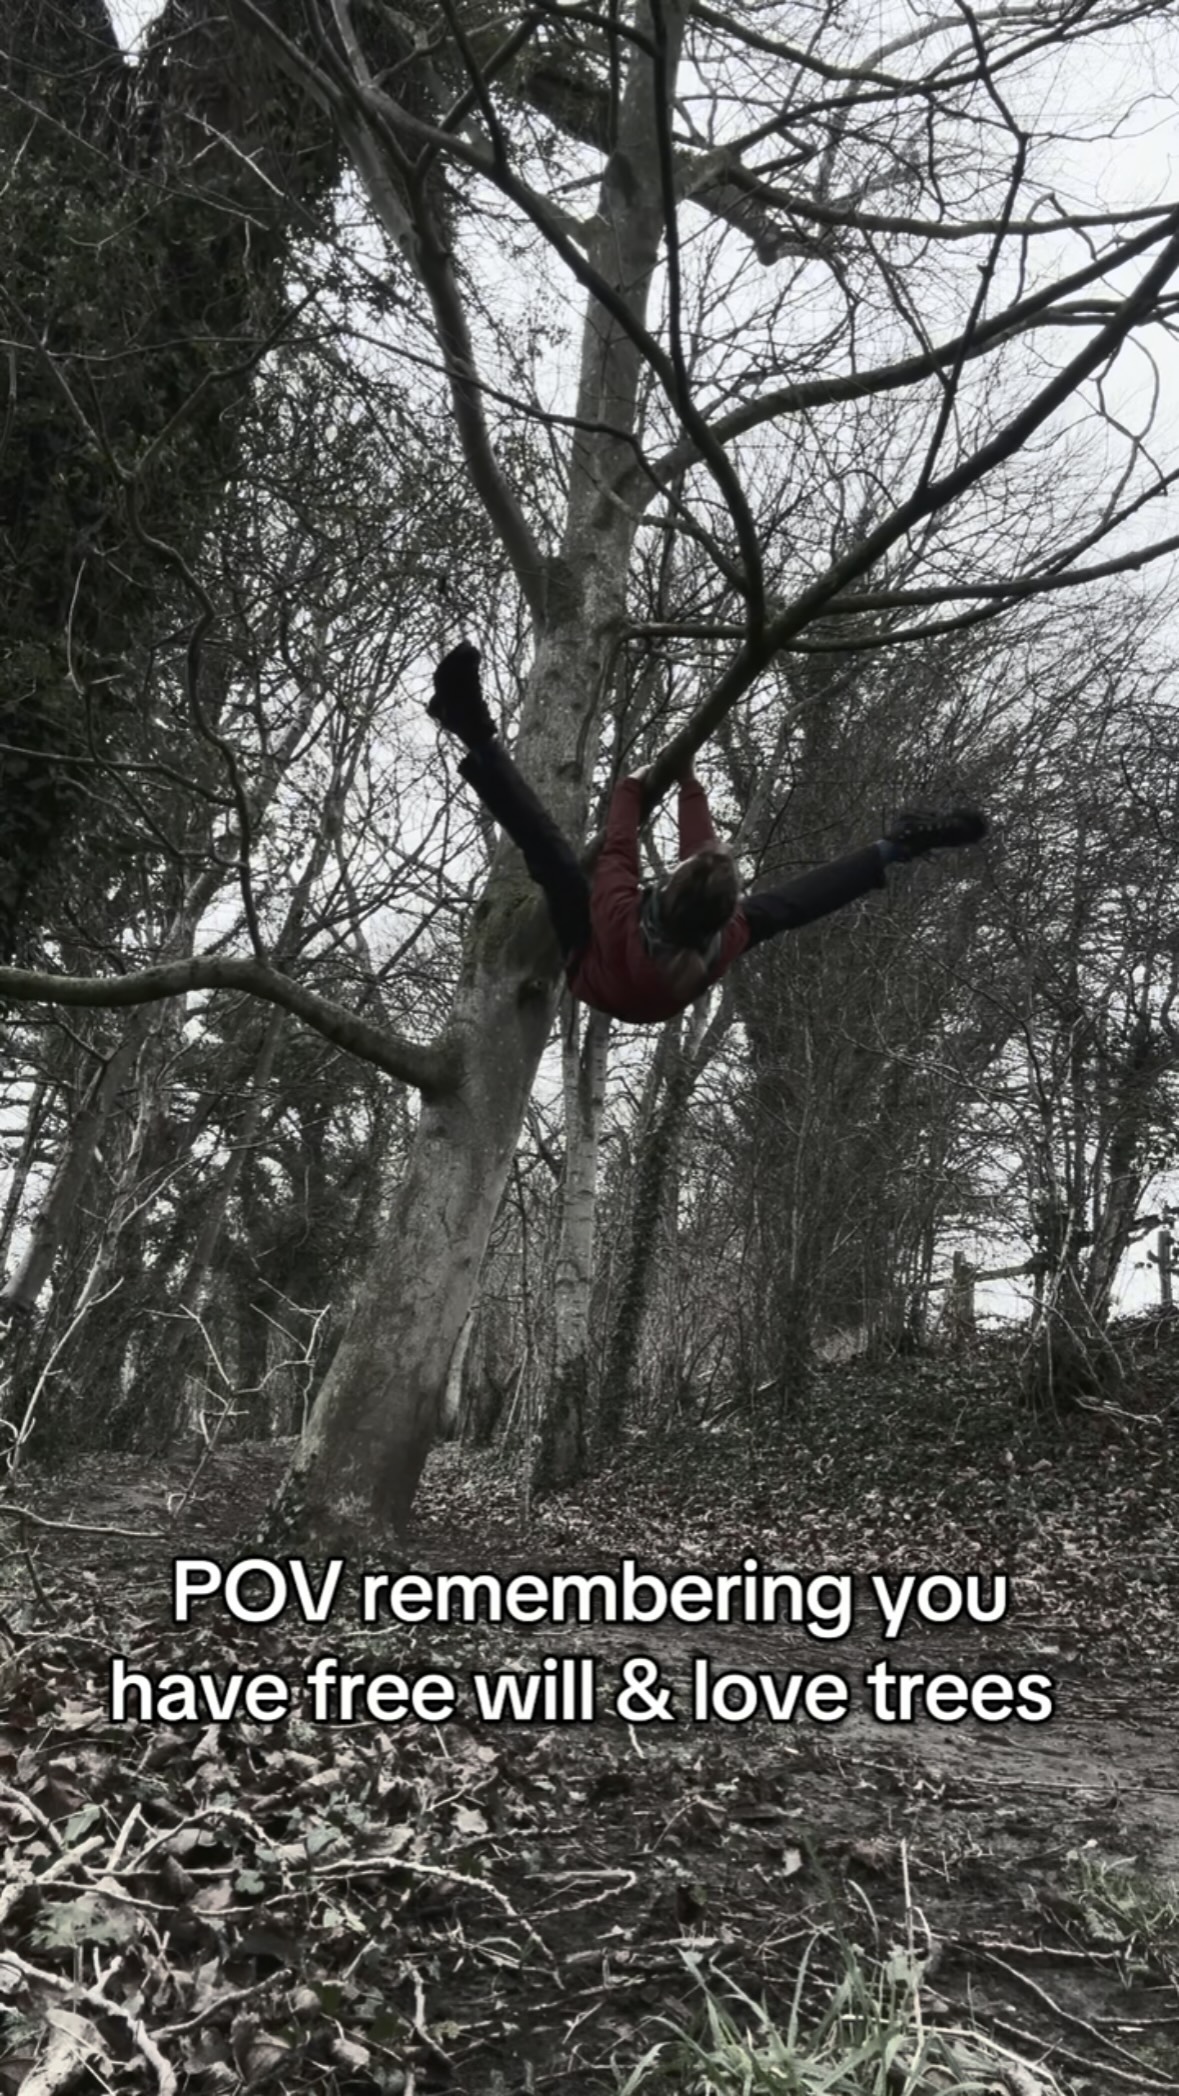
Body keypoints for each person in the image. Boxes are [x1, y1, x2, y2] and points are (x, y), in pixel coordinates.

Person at [429, 642, 989, 1026]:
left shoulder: (619, 915)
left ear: (668, 889)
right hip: (655, 976)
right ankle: (896, 847)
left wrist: (637, 785)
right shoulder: (732, 930)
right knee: (784, 908)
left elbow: (621, 835)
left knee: (551, 854)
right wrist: (688, 780)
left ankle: (470, 728)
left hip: (596, 970)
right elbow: (740, 873)